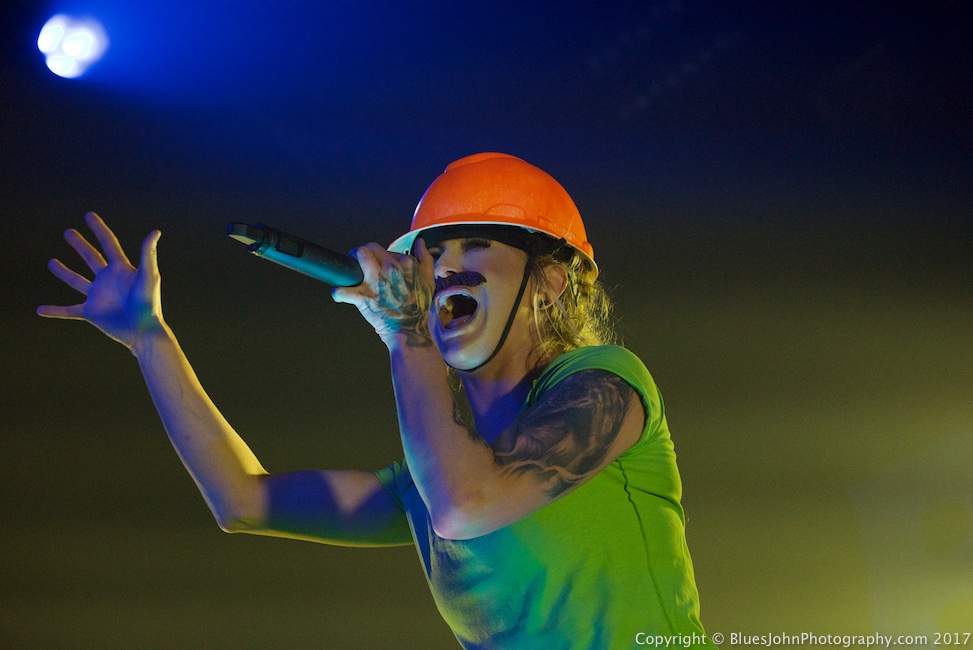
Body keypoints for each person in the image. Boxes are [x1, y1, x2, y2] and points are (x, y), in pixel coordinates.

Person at [38, 152, 713, 648]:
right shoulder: (438, 474)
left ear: (549, 283)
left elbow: (468, 503)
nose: (443, 267)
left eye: (473, 245)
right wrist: (147, 339)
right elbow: (240, 500)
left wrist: (407, 333)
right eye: (431, 253)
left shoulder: (606, 382)